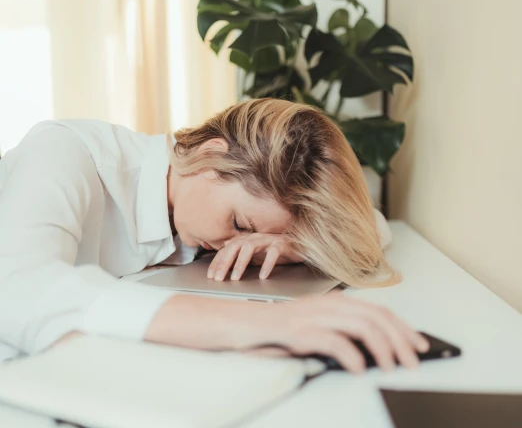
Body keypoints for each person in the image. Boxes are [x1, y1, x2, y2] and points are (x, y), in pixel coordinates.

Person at [0, 98, 428, 369]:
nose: (235, 243)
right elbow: (19, 290)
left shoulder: (197, 206)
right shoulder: (64, 153)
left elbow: (371, 224)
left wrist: (289, 240)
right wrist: (267, 322)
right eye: (240, 224)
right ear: (210, 157)